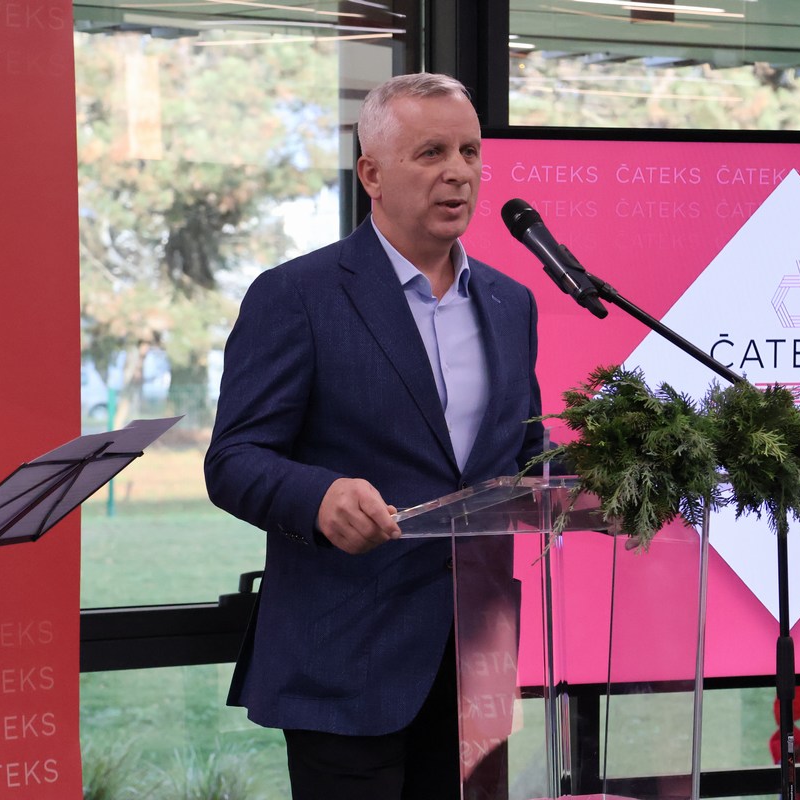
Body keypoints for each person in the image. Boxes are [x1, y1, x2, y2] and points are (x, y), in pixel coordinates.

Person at [204, 72, 545, 800]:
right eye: (431, 153)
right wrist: (319, 496)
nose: (459, 172)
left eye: (470, 151)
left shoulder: (510, 302)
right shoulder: (297, 296)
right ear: (372, 175)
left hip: (475, 657)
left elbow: (521, 457)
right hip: (346, 657)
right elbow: (232, 460)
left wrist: (602, 477)